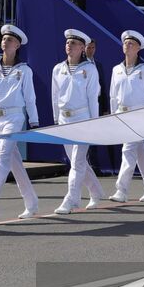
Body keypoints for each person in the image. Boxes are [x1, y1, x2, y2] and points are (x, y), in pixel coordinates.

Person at [0, 24, 40, 220]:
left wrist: (34, 121)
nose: (5, 42)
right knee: (15, 164)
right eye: (3, 38)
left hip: (14, 117)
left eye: (10, 40)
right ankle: (32, 202)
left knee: (1, 159)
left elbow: (30, 98)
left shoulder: (24, 71)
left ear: (17, 45)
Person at [52, 29, 106, 214]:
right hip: (64, 120)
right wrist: (55, 120)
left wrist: (94, 123)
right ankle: (96, 191)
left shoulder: (89, 69)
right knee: (78, 161)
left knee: (77, 161)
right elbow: (54, 97)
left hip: (82, 119)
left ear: (83, 47)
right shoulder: (58, 68)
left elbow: (93, 98)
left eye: (74, 43)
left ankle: (72, 199)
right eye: (68, 42)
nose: (69, 45)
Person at [109, 29, 144, 203]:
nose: (127, 45)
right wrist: (113, 117)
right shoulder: (116, 69)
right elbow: (113, 96)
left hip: (140, 114)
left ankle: (121, 190)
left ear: (138, 48)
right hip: (122, 115)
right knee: (140, 154)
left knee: (128, 150)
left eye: (131, 43)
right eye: (125, 42)